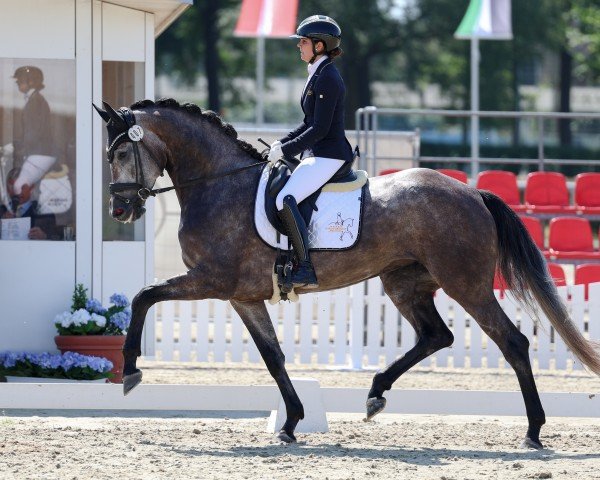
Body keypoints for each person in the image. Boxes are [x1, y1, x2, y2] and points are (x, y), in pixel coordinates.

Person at [268, 15, 354, 289]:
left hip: (330, 154)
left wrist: (287, 149)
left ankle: (304, 267)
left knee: (285, 198)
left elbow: (319, 129)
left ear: (319, 46)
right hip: (318, 153)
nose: (299, 46)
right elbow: (307, 123)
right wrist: (281, 144)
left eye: (303, 42)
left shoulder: (328, 77)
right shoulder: (318, 72)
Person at [9, 66, 56, 196]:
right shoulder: (33, 99)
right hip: (37, 151)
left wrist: (17, 147)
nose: (17, 83)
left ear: (31, 82)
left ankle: (18, 213)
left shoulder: (35, 101)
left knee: (18, 187)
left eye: (20, 81)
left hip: (41, 152)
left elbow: (34, 132)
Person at [0, 167, 61, 240]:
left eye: (22, 187)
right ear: (7, 189)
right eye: (14, 187)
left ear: (31, 187)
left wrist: (45, 237)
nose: (18, 192)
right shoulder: (1, 212)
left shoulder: (45, 213)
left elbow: (58, 238)